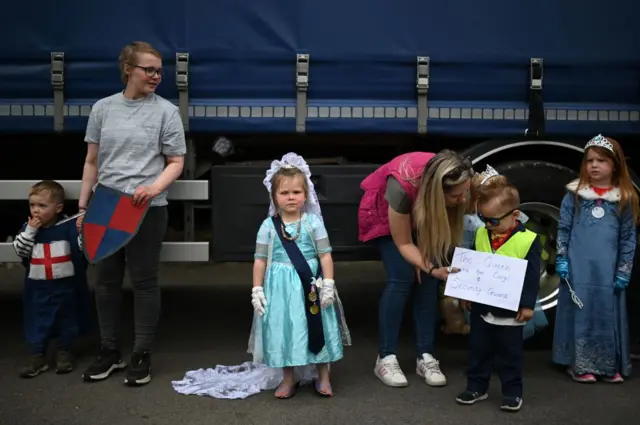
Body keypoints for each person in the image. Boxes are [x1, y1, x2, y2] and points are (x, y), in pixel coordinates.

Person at [77, 41, 187, 386]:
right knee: (106, 282)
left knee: (143, 281)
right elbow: (92, 162)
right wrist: (83, 207)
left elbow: (176, 162)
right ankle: (109, 351)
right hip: (106, 206)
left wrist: (154, 189)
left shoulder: (166, 112)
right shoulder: (103, 109)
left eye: (159, 70)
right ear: (128, 69)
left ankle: (141, 353)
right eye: (148, 69)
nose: (155, 76)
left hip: (146, 210)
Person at [358, 149, 474, 387]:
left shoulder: (455, 176)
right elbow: (403, 242)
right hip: (389, 214)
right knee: (402, 278)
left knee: (428, 282)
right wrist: (427, 265)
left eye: (465, 193)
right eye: (457, 197)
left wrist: (432, 267)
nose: (463, 200)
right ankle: (386, 357)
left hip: (428, 216)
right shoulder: (400, 187)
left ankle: (426, 356)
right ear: (437, 194)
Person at [553, 134, 639, 383]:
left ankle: (608, 365)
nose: (594, 165)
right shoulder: (574, 195)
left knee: (605, 313)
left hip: (608, 270)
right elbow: (564, 229)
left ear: (615, 165)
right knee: (581, 311)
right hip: (579, 269)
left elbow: (628, 238)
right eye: (589, 160)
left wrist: (623, 270)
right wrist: (562, 258)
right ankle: (579, 364)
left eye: (601, 160)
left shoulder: (625, 199)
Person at [455, 180, 541, 412]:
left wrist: (527, 305)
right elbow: (472, 265)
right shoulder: (482, 233)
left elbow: (532, 277)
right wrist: (465, 292)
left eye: (493, 220)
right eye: (483, 218)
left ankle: (512, 392)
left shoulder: (528, 240)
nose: (487, 225)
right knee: (478, 350)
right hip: (482, 307)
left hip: (510, 312)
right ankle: (476, 386)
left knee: (509, 355)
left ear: (515, 215)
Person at [12, 181, 90, 378]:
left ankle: (65, 353)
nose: (36, 210)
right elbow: (20, 250)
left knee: (67, 319)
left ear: (58, 208)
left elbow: (83, 250)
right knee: (37, 320)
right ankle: (37, 356)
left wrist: (82, 231)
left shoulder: (69, 227)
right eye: (32, 205)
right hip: (37, 288)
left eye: (42, 206)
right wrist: (30, 231)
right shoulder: (28, 229)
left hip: (66, 286)